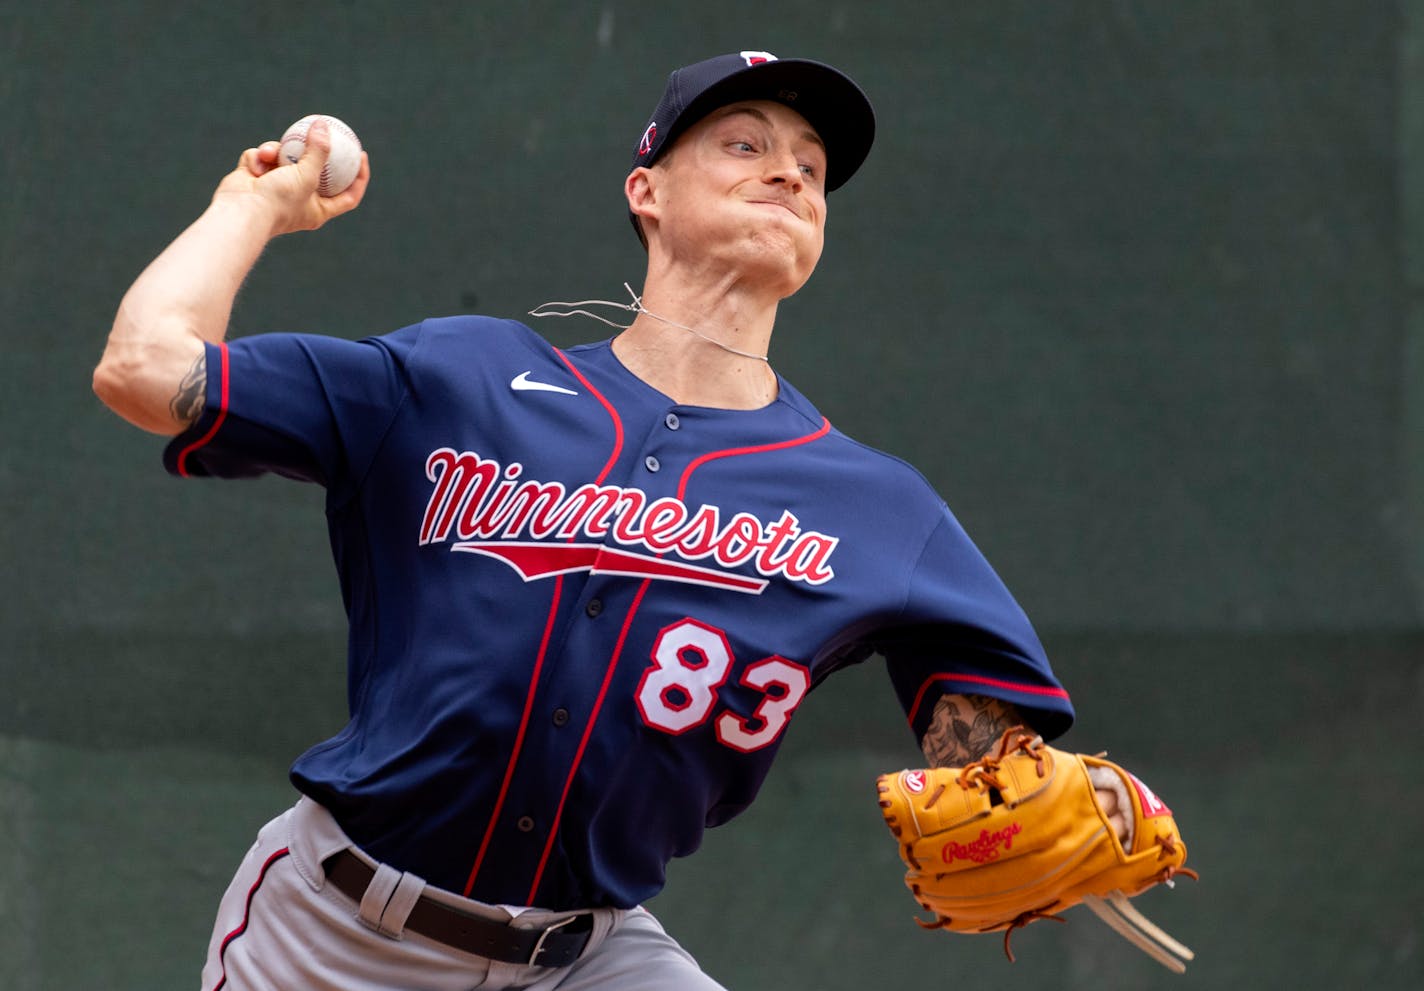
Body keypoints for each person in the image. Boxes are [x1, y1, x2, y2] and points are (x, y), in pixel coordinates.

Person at [95, 52, 1099, 991]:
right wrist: (253, 204)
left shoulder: (875, 506)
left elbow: (987, 749)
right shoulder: (461, 378)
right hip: (337, 933)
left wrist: (1041, 796)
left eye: (810, 166)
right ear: (646, 191)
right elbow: (142, 369)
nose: (788, 176)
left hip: (590, 954)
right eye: (744, 146)